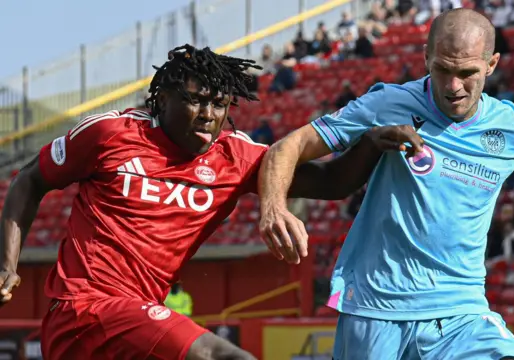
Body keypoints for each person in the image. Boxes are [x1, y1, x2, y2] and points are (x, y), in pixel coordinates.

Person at [257, 8, 514, 360]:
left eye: (468, 73)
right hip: (377, 308)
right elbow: (289, 146)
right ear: (426, 57)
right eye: (443, 69)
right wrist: (274, 207)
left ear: (491, 65)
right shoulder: (387, 105)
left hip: (461, 312)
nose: (454, 85)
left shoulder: (512, 127)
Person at [0, 44, 424, 360]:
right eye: (195, 99)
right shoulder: (110, 135)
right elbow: (30, 180)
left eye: (219, 103)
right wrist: (7, 264)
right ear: (162, 99)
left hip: (138, 320)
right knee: (221, 356)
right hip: (83, 308)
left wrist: (369, 144)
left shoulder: (234, 158)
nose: (208, 113)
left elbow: (333, 182)